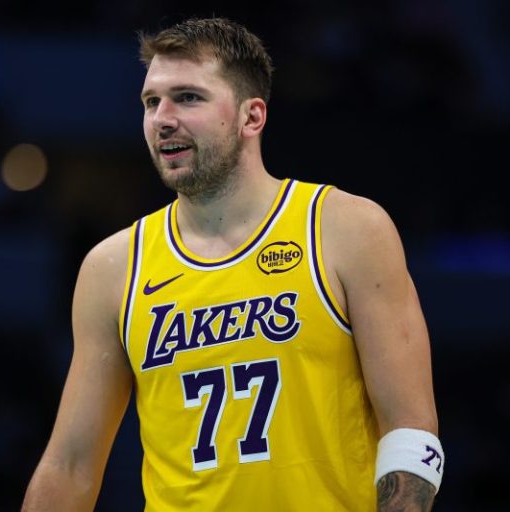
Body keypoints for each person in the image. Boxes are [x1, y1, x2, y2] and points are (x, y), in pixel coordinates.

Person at [22, 17, 443, 512]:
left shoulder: (347, 229)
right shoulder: (113, 267)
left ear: (252, 117)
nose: (162, 119)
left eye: (188, 98)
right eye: (151, 102)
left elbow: (411, 430)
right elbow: (70, 466)